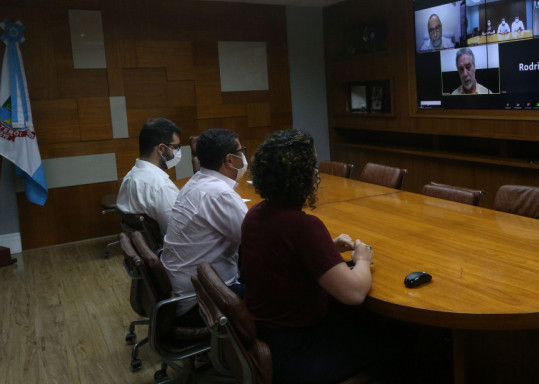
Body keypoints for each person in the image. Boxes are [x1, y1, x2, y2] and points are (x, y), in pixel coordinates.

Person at [241, 129, 393, 383]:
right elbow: (354, 294)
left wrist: (325, 248)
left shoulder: (255, 213)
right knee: (395, 341)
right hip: (297, 346)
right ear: (300, 175)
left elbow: (284, 257)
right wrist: (363, 258)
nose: (316, 173)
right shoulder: (304, 226)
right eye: (313, 166)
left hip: (267, 334)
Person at [160, 128, 249, 327]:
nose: (244, 156)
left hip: (182, 293)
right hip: (201, 304)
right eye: (241, 151)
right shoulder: (219, 193)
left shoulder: (196, 183)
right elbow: (257, 242)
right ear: (229, 160)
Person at [116, 117, 182, 235]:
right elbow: (180, 232)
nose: (177, 152)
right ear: (161, 149)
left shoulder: (130, 176)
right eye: (175, 147)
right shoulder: (160, 186)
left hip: (150, 249)